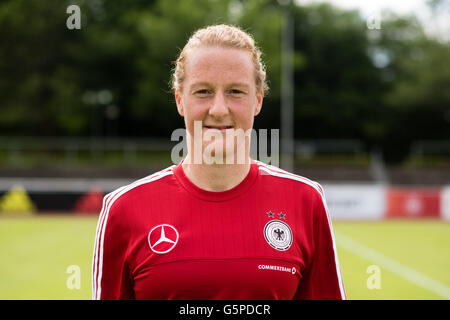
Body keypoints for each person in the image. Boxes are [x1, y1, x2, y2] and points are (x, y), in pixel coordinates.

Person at [92, 24, 346, 300]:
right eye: (203, 92)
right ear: (179, 100)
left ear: (258, 100)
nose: (219, 109)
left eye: (235, 91)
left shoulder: (305, 200)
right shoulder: (124, 209)